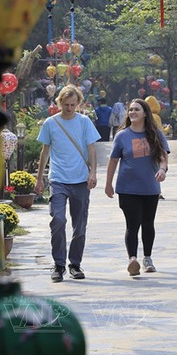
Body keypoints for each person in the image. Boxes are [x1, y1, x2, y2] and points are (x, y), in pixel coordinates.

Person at [35, 85, 100, 282]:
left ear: (78, 103)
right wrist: (39, 178)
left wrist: (93, 173)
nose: (70, 108)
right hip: (58, 180)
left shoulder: (84, 122)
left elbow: (91, 149)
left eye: (73, 104)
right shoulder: (51, 123)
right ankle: (59, 264)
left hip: (80, 180)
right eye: (66, 104)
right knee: (58, 220)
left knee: (79, 225)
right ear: (59, 103)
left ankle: (75, 264)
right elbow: (45, 152)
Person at [104, 98, 170, 276]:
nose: (132, 112)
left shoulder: (155, 134)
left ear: (145, 113)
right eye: (131, 110)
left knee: (148, 224)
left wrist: (163, 170)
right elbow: (113, 161)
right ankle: (132, 259)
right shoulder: (122, 135)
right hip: (127, 188)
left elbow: (164, 157)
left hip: (150, 187)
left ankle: (147, 258)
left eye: (137, 110)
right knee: (132, 224)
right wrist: (108, 183)